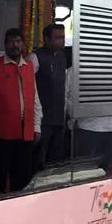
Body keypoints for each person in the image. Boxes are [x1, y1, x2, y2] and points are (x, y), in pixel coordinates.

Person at [0, 28, 41, 192]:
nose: (15, 45)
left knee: (22, 178)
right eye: (11, 41)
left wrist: (36, 126)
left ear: (23, 44)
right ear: (5, 44)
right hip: (0, 133)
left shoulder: (28, 67)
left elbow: (35, 100)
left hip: (25, 132)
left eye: (18, 41)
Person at [32, 23, 69, 170]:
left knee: (55, 164)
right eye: (58, 38)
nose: (62, 41)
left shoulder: (62, 56)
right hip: (42, 121)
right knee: (39, 163)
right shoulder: (36, 57)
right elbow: (28, 88)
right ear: (46, 39)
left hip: (59, 120)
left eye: (63, 37)